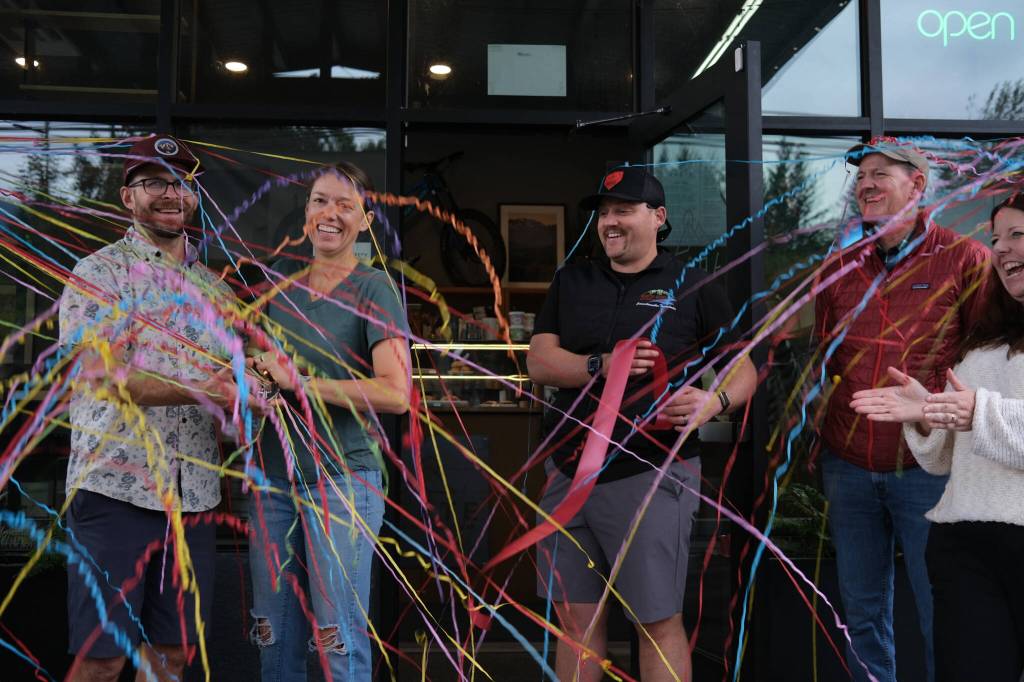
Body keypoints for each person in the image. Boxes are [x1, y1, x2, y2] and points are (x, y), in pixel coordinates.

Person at [527, 165, 757, 682]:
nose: (609, 222)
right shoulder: (572, 280)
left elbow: (744, 368)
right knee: (575, 622)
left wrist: (714, 401)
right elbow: (539, 361)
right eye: (604, 213)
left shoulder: (693, 283)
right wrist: (600, 365)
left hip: (650, 475)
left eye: (623, 211)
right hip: (568, 473)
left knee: (655, 622)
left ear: (658, 217)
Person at [60, 134, 244, 681]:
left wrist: (254, 395)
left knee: (171, 656)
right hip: (116, 491)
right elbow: (103, 375)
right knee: (102, 658)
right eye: (154, 182)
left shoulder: (216, 291)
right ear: (128, 197)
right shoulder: (99, 274)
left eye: (182, 183)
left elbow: (232, 390)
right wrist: (206, 387)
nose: (171, 193)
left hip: (195, 497)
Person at [813, 137, 990, 682]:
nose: (866, 184)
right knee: (861, 613)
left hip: (929, 467)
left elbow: (986, 362)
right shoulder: (838, 268)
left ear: (917, 184)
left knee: (941, 606)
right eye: (861, 175)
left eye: (881, 174)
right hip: (848, 465)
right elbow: (824, 361)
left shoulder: (966, 259)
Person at [850, 191, 1024, 682]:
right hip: (964, 542)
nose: (1001, 249)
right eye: (996, 238)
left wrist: (979, 411)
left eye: (1017, 234)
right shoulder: (985, 344)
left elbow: (979, 416)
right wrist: (927, 412)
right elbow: (947, 456)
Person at [248, 161, 410, 681]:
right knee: (272, 636)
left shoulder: (374, 289)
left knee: (338, 640)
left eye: (346, 204)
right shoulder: (279, 288)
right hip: (273, 480)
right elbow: (262, 373)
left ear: (365, 220)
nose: (331, 213)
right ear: (306, 215)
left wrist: (300, 383)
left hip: (342, 483)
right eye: (320, 201)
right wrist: (252, 379)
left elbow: (396, 393)